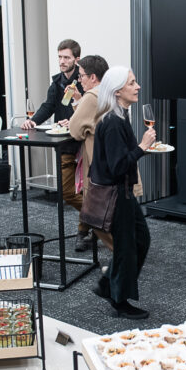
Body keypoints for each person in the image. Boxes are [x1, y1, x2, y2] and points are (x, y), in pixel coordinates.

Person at [89, 66, 155, 319]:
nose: (137, 87)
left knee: (139, 240)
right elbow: (118, 166)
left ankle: (108, 285)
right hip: (117, 195)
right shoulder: (114, 122)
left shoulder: (118, 116)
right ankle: (119, 301)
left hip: (121, 193)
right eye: (132, 83)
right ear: (117, 92)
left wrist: (140, 149)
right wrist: (142, 147)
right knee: (129, 246)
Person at [22, 39, 90, 251]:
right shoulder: (57, 83)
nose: (61, 61)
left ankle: (83, 231)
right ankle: (100, 218)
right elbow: (48, 106)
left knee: (88, 191)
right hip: (65, 145)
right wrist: (34, 121)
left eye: (66, 57)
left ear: (76, 59)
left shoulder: (87, 82)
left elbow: (92, 109)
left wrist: (74, 120)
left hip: (86, 143)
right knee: (68, 193)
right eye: (59, 57)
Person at [68, 54, 116, 256]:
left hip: (97, 162)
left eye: (81, 76)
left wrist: (79, 107)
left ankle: (124, 255)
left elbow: (75, 130)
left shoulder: (92, 97)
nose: (80, 80)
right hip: (113, 161)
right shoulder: (112, 93)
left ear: (93, 77)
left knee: (96, 213)